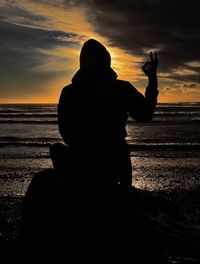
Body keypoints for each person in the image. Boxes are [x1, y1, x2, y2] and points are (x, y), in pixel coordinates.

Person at [50, 39, 158, 188]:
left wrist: (85, 147)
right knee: (121, 150)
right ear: (107, 61)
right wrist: (152, 79)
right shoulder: (122, 88)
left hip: (82, 161)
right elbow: (145, 115)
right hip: (114, 161)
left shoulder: (69, 92)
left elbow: (65, 132)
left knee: (56, 149)